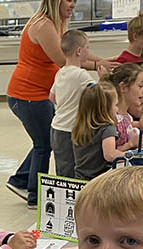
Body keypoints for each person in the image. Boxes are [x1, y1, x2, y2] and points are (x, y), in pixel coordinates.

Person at [5, 0, 116, 209]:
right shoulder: (43, 25)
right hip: (27, 94)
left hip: (42, 94)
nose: (73, 4)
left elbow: (76, 52)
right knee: (43, 145)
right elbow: (62, 58)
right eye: (69, 0)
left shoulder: (58, 24)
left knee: (45, 140)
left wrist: (101, 61)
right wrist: (99, 67)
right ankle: (35, 197)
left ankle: (20, 179)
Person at [49, 30, 95, 178]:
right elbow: (99, 95)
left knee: (62, 169)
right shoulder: (81, 75)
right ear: (79, 51)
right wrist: (105, 77)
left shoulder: (60, 72)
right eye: (87, 47)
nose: (89, 50)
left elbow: (52, 97)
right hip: (70, 130)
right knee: (74, 170)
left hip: (56, 127)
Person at [72, 82, 121, 181]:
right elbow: (110, 155)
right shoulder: (108, 128)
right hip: (99, 182)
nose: (118, 109)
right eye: (116, 105)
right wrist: (131, 155)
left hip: (80, 179)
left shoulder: (79, 126)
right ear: (105, 109)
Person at [106, 63, 143, 149]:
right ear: (123, 87)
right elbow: (109, 153)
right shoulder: (112, 119)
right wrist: (130, 144)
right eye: (140, 86)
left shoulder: (128, 117)